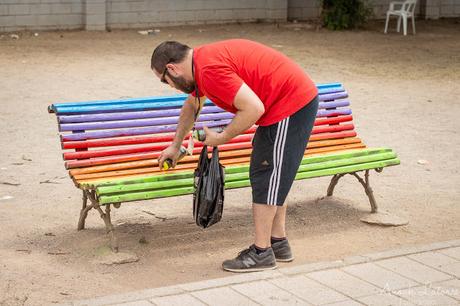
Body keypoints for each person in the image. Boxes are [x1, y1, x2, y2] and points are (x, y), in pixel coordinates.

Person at [151, 39, 319, 273]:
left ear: (172, 69)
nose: (170, 86)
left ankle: (262, 253)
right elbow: (192, 106)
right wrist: (175, 145)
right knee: (273, 176)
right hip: (289, 103)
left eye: (164, 80)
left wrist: (222, 137)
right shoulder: (202, 64)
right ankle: (277, 242)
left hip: (289, 105)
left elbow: (253, 108)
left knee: (267, 176)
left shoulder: (208, 70)